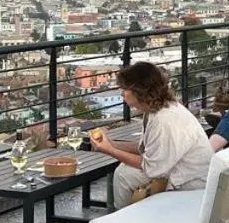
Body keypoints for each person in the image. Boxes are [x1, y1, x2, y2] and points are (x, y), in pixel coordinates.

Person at [88, 62, 212, 209]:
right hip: (179, 172)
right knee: (122, 170)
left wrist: (110, 150)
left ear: (139, 91)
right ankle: (119, 216)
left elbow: (151, 167)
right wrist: (113, 144)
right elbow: (146, 149)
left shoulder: (164, 120)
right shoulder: (158, 109)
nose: (122, 93)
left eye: (125, 88)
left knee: (123, 175)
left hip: (190, 183)